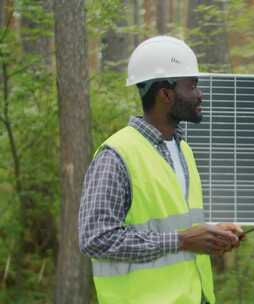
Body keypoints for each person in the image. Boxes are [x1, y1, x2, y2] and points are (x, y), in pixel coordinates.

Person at [79, 36, 243, 304]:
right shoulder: (116, 155)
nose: (200, 95)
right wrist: (182, 240)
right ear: (166, 94)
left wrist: (212, 234)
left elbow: (175, 224)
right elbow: (96, 238)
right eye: (192, 86)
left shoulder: (183, 150)